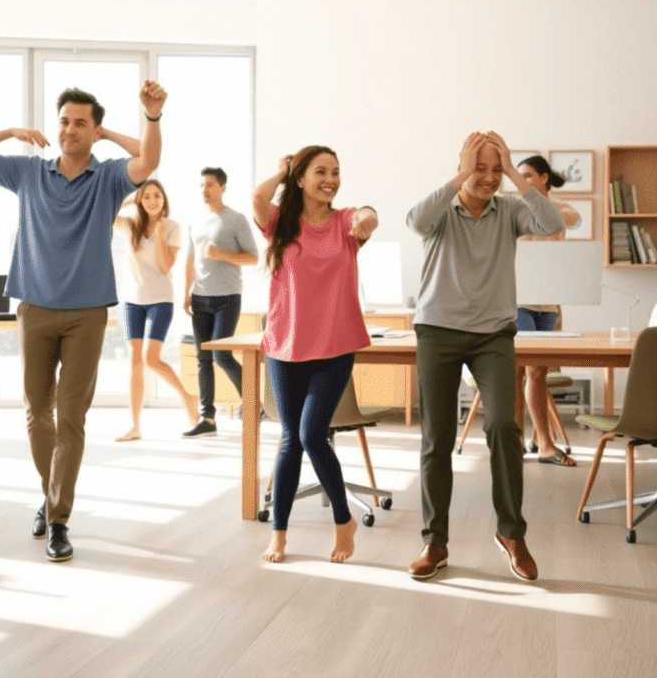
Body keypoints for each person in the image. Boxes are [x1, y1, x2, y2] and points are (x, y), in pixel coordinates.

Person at [0, 82, 167, 562]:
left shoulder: (108, 178)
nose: (69, 129)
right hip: (34, 308)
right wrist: (10, 131)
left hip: (87, 312)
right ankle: (50, 497)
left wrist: (146, 120)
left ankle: (59, 519)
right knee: (36, 410)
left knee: (72, 416)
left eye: (81, 122)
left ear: (94, 129)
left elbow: (147, 164)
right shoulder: (27, 171)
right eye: (64, 120)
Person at [406, 131, 564, 582]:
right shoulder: (441, 212)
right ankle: (435, 542)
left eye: (497, 170)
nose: (489, 178)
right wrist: (464, 173)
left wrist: (515, 172)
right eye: (481, 168)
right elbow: (416, 220)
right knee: (437, 437)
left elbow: (553, 222)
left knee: (503, 425)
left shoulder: (510, 210)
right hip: (437, 330)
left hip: (493, 334)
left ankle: (512, 533)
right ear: (461, 166)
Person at [252, 146, 379, 564]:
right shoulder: (280, 223)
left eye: (336, 172)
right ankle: (279, 534)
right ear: (302, 178)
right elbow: (257, 199)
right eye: (320, 171)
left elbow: (366, 217)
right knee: (290, 440)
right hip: (285, 346)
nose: (330, 179)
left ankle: (343, 522)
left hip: (334, 345)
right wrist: (282, 171)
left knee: (310, 434)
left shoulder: (344, 223)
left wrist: (366, 216)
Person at [113, 179, 199, 442]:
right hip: (131, 301)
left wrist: (160, 234)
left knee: (151, 359)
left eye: (157, 196)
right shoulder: (131, 226)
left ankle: (187, 396)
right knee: (135, 361)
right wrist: (129, 199)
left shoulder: (173, 228)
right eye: (147, 196)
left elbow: (164, 267)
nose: (152, 201)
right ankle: (135, 425)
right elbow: (105, 213)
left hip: (160, 300)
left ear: (164, 200)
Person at [514, 155, 581, 466]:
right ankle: (527, 442)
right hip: (518, 301)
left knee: (538, 372)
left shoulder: (561, 209)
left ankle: (541, 442)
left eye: (528, 175)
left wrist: (539, 202)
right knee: (522, 370)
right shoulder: (515, 208)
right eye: (519, 176)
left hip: (549, 304)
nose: (522, 181)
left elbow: (573, 219)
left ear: (543, 178)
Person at [182, 167, 258, 438]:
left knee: (221, 356)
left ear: (223, 187)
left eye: (210, 185)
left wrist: (222, 254)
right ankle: (208, 419)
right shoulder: (195, 221)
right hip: (200, 298)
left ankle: (253, 404)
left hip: (227, 298)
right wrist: (186, 291)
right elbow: (190, 260)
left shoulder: (236, 220)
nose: (205, 190)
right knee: (203, 359)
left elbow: (252, 257)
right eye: (202, 185)